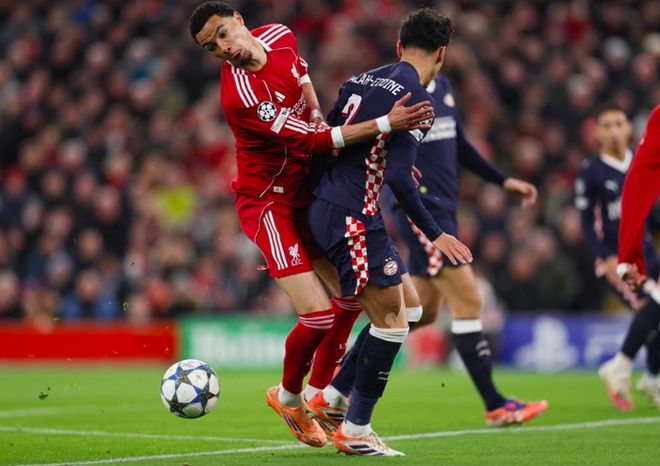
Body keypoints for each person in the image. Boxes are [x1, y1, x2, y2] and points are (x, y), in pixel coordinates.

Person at [188, 1, 433, 448]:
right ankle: (290, 397)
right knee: (318, 315)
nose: (223, 48)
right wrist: (385, 125)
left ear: (239, 20)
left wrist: (320, 112)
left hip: (308, 190)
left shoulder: (280, 35)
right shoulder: (242, 95)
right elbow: (317, 141)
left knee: (352, 297)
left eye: (223, 34)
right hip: (269, 203)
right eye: (211, 47)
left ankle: (325, 395)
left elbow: (303, 80)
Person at [308, 72, 547, 431]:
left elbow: (459, 143)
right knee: (468, 299)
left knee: (420, 312)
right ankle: (495, 404)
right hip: (422, 211)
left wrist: (502, 180)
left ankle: (336, 389)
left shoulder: (443, 89)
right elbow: (382, 159)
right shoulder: (401, 96)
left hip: (447, 211)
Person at [308, 8, 473, 456]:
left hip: (336, 207)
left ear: (399, 46)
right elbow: (399, 177)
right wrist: (436, 234)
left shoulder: (360, 80)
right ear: (442, 54)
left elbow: (330, 139)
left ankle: (333, 398)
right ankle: (355, 430)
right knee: (393, 326)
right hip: (353, 216)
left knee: (412, 311)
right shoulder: (418, 98)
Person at [592, 103, 660, 410]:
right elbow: (587, 222)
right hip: (618, 254)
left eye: (619, 124)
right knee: (652, 307)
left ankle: (641, 371)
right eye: (608, 125)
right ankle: (635, 369)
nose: (614, 131)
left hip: (644, 251)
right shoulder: (592, 171)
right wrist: (622, 256)